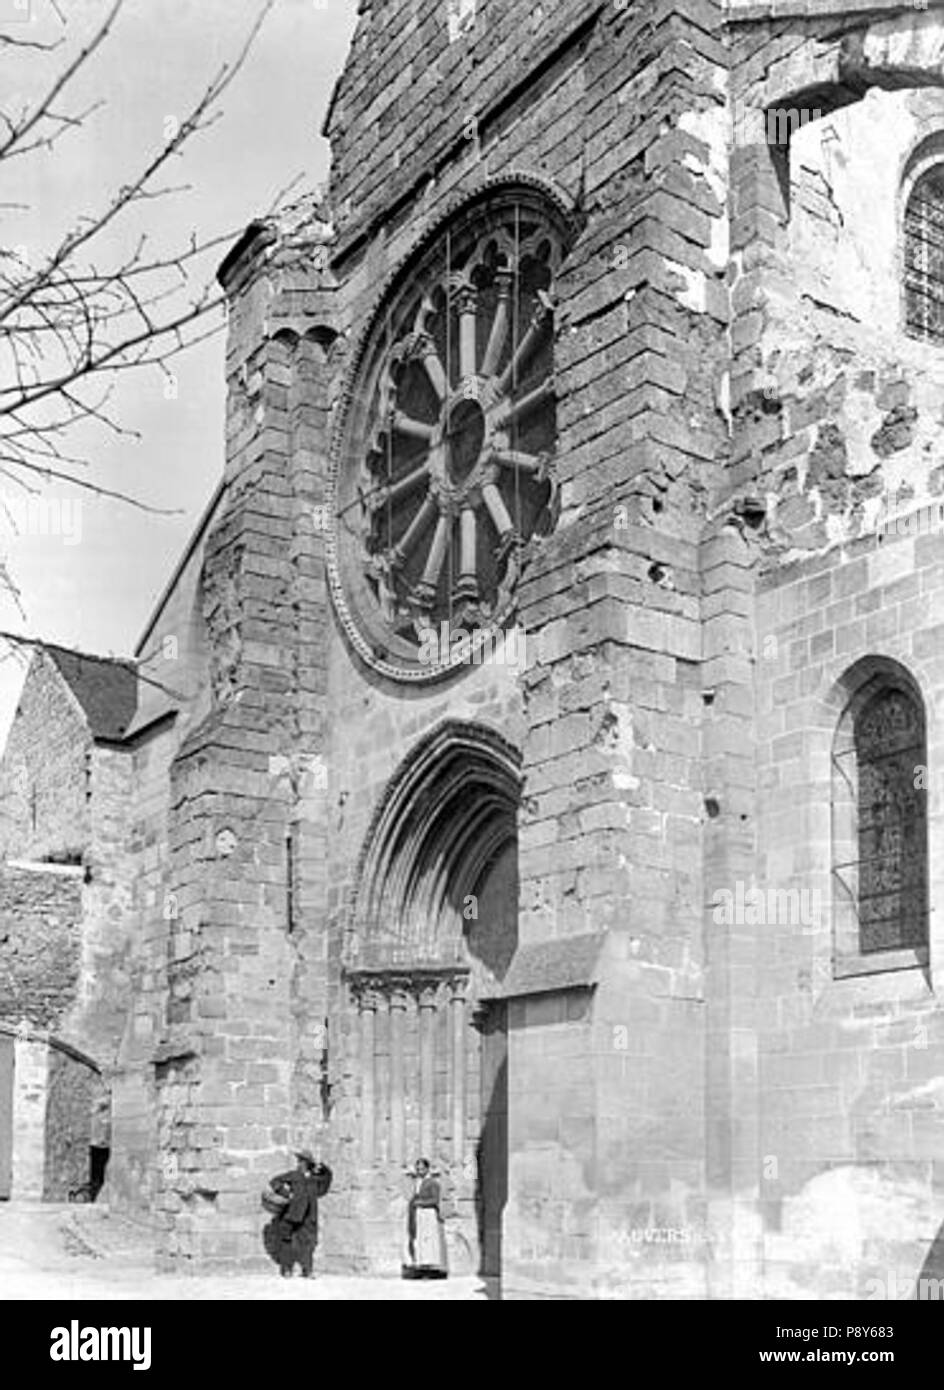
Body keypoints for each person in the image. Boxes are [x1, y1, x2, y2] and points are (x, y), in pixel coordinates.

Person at [269, 1149, 332, 1278]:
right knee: (287, 1240)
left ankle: (307, 1270)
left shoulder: (315, 1178)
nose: (300, 1163)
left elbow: (327, 1179)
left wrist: (323, 1167)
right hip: (292, 1213)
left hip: (309, 1215)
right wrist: (287, 1194)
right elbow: (275, 1181)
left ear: (308, 1163)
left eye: (303, 1161)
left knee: (308, 1243)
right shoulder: (294, 1175)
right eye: (300, 1161)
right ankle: (286, 1269)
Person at [405, 1158, 447, 1278]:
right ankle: (422, 1265)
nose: (420, 1171)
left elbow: (435, 1199)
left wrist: (420, 1203)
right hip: (420, 1214)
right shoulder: (418, 1182)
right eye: (418, 1169)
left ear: (427, 1169)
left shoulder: (432, 1183)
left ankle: (430, 1267)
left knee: (429, 1240)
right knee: (421, 1240)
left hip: (428, 1214)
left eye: (422, 1169)